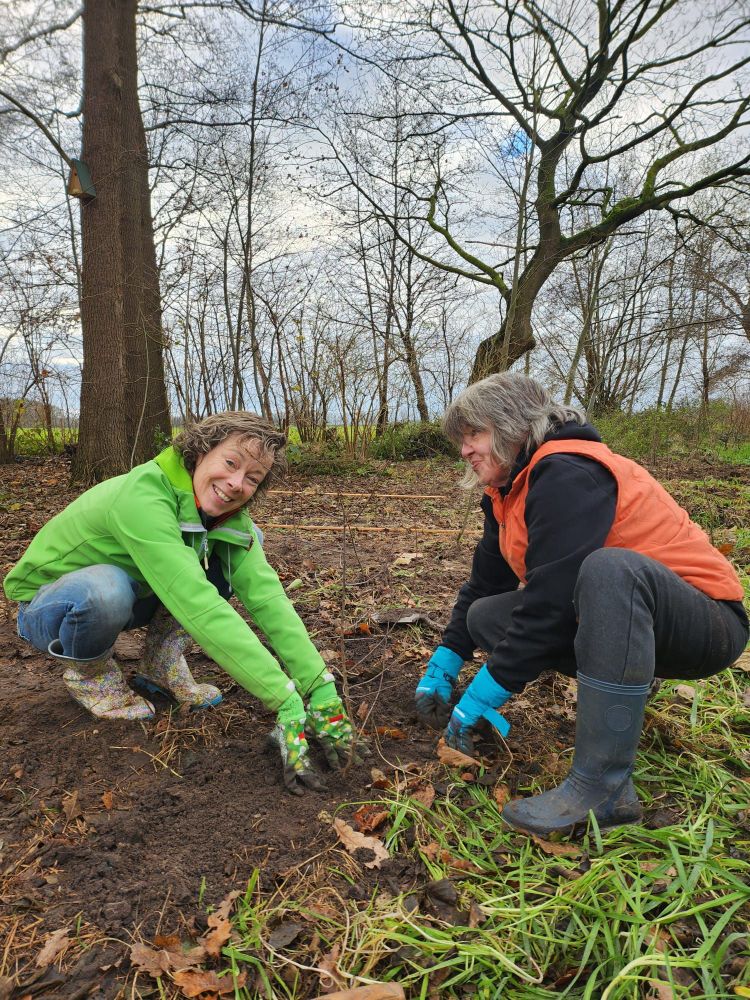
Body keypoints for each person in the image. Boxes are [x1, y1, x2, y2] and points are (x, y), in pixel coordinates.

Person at [415, 374, 748, 837]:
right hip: (638, 623)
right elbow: (486, 582)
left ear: (511, 426)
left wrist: (488, 689)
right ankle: (630, 677)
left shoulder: (568, 470)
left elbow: (551, 601)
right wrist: (448, 657)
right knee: (486, 615)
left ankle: (604, 788)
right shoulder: (507, 491)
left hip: (707, 622)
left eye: (475, 434)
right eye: (461, 440)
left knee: (610, 570)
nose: (465, 450)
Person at [4, 412, 360, 794]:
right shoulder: (143, 496)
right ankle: (90, 676)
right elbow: (196, 603)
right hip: (51, 606)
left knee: (222, 554)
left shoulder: (227, 519)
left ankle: (160, 662)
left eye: (252, 479)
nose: (235, 484)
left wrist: (320, 689)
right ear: (200, 451)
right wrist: (284, 700)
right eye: (230, 463)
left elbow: (269, 599)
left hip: (136, 593)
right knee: (104, 589)